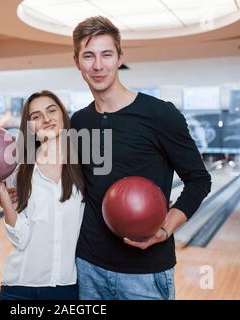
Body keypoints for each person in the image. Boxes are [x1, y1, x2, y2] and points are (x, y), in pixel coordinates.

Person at [68, 16, 212, 300]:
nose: (98, 65)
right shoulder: (79, 121)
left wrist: (165, 229)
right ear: (77, 62)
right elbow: (76, 186)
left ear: (120, 57)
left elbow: (199, 180)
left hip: (145, 275)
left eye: (106, 54)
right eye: (89, 56)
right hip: (87, 267)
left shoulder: (160, 114)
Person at [0, 90, 85, 300]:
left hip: (65, 288)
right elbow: (20, 239)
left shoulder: (83, 170)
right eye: (36, 116)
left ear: (63, 115)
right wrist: (3, 195)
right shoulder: (19, 172)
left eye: (51, 111)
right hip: (19, 288)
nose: (46, 119)